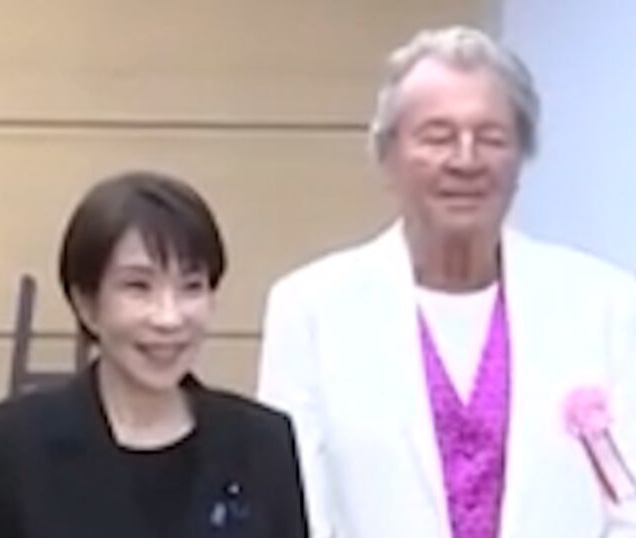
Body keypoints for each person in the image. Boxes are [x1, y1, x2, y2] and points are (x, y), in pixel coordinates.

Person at [257, 25, 636, 537]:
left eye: (491, 138)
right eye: (437, 137)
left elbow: (628, 507)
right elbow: (300, 510)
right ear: (387, 156)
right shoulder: (311, 310)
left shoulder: (605, 304)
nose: (465, 160)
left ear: (521, 158)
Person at [0, 170, 309, 538]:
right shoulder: (10, 446)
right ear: (86, 304)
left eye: (191, 286)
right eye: (139, 287)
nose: (169, 317)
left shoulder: (261, 442)